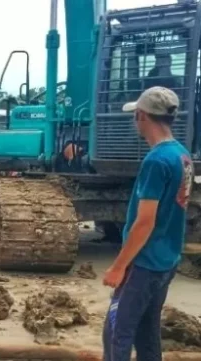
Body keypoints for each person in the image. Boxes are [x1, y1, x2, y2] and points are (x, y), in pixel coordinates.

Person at [102, 87, 193, 361]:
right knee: (147, 332)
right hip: (167, 261)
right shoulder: (183, 155)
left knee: (117, 332)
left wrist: (119, 266)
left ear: (141, 115)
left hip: (144, 263)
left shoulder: (155, 161)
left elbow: (144, 222)